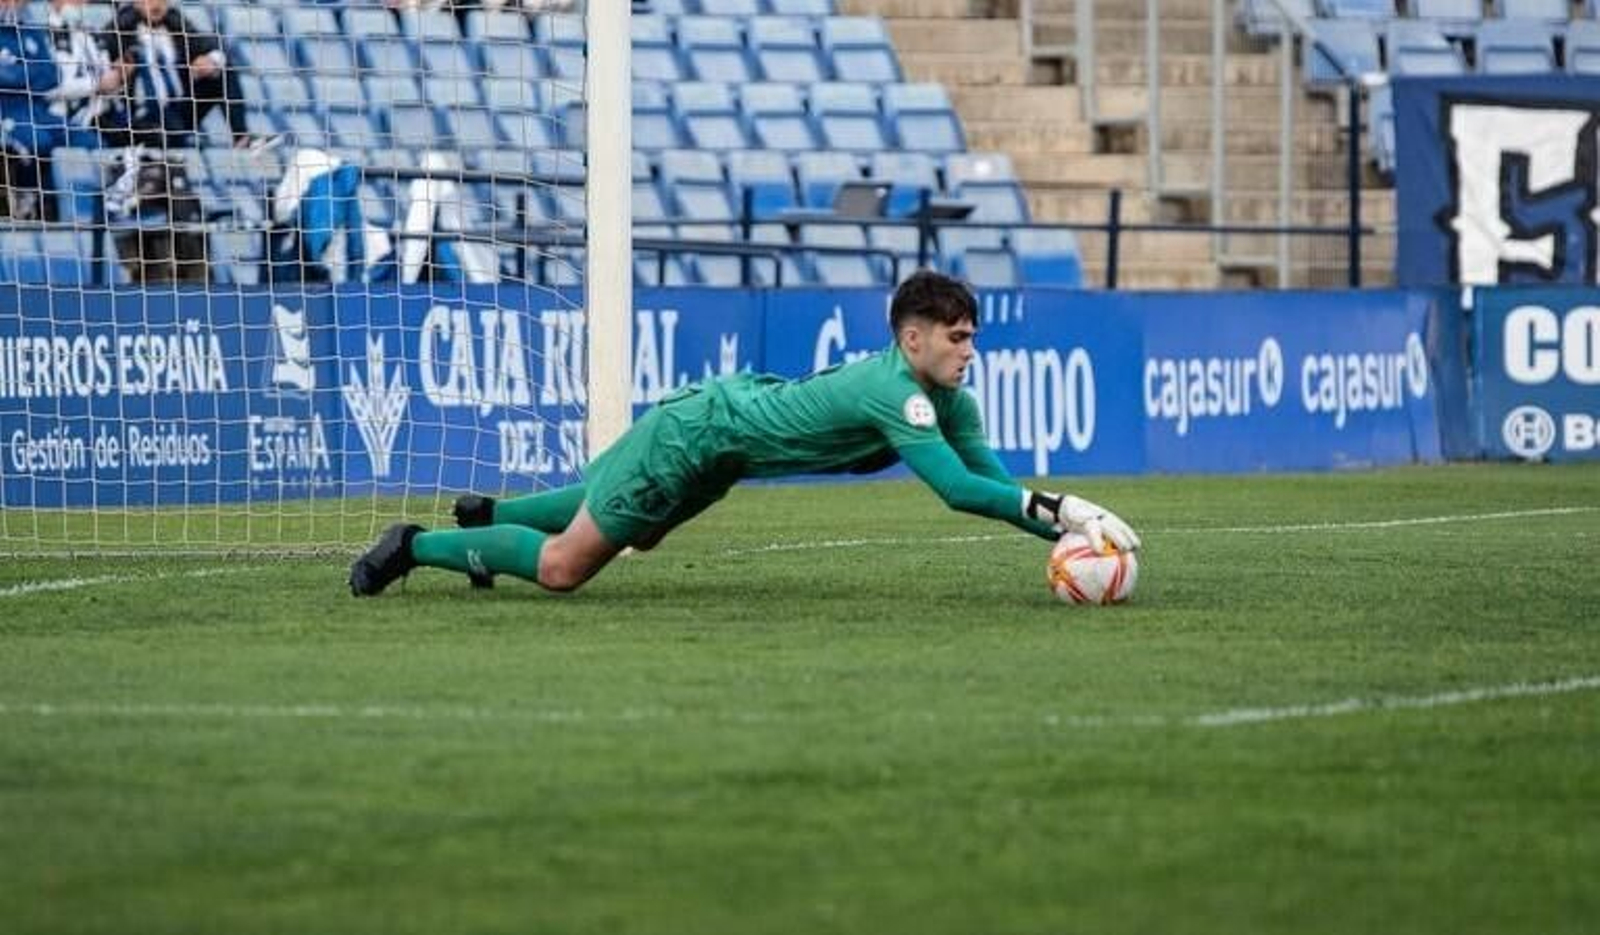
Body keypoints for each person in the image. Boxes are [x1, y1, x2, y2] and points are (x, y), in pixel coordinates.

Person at [349, 271, 1141, 597]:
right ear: (913, 339)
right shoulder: (894, 393)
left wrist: (1050, 515)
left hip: (721, 448)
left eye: (972, 336)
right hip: (698, 435)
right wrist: (1065, 510)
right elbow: (960, 494)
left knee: (625, 524)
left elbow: (990, 483)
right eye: (957, 337)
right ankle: (413, 545)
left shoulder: (948, 399)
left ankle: (488, 520)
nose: (970, 349)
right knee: (566, 568)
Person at [100, 0, 274, 151]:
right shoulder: (120, 29)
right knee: (168, 128)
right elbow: (103, 63)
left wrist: (210, 61)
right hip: (143, 113)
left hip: (179, 107)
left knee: (222, 70)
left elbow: (212, 46)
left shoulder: (176, 24)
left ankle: (242, 138)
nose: (157, 5)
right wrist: (119, 72)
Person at [0, 0, 64, 219]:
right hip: (6, 112)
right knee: (38, 142)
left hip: (38, 110)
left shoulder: (30, 29)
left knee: (90, 142)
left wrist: (15, 75)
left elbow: (53, 75)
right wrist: (29, 74)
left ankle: (88, 214)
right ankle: (28, 201)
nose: (11, 4)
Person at [42, 0, 125, 150]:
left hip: (103, 114)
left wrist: (120, 76)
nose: (81, 3)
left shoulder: (93, 33)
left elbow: (108, 80)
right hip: (66, 119)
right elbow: (48, 89)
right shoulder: (43, 35)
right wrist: (96, 84)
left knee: (154, 133)